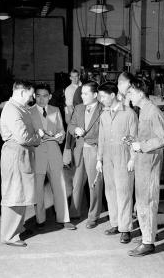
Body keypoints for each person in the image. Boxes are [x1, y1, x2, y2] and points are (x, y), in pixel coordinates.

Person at [127, 77, 164, 257]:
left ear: (139, 92)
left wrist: (140, 146)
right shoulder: (143, 110)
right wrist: (134, 142)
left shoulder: (152, 111)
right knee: (142, 201)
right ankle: (147, 235)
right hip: (143, 162)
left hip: (150, 163)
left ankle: (148, 243)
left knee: (148, 201)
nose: (128, 96)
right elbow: (146, 136)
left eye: (130, 92)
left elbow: (162, 139)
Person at [0, 81, 41, 247]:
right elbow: (23, 137)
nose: (32, 98)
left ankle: (18, 228)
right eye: (30, 95)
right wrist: (37, 137)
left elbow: (1, 127)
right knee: (14, 195)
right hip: (16, 155)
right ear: (22, 92)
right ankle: (10, 236)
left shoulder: (19, 108)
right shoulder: (12, 109)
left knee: (22, 193)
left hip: (21, 153)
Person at [96, 82, 138, 244]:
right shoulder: (104, 114)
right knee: (110, 191)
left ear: (113, 95)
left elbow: (135, 137)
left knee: (124, 193)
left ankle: (125, 229)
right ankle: (115, 223)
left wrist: (133, 159)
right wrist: (99, 159)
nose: (101, 99)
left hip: (123, 156)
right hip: (108, 157)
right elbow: (101, 138)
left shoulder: (129, 114)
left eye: (103, 96)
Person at [29, 83, 76, 230]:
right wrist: (38, 135)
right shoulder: (28, 112)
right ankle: (40, 219)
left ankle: (64, 218)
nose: (41, 99)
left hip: (54, 152)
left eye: (44, 96)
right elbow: (26, 135)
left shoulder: (55, 110)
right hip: (37, 153)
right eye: (38, 95)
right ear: (33, 96)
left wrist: (60, 135)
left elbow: (61, 130)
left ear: (49, 97)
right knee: (38, 189)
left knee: (59, 187)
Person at [68, 81, 103, 229]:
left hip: (94, 150)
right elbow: (70, 125)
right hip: (79, 149)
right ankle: (74, 212)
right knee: (76, 183)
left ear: (95, 95)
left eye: (85, 93)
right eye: (81, 93)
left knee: (94, 184)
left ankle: (93, 216)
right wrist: (75, 129)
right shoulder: (78, 108)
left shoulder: (104, 110)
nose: (82, 96)